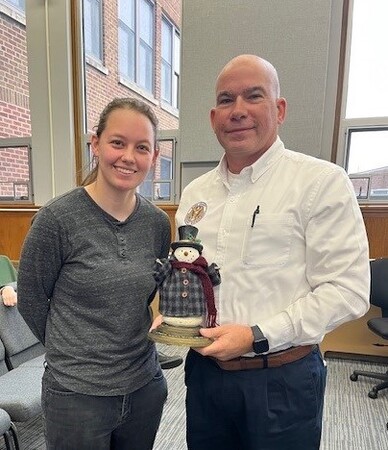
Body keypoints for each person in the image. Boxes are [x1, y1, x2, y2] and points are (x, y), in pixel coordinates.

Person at [174, 55, 370, 450]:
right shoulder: (195, 194)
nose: (238, 111)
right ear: (213, 118)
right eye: (227, 100)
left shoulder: (320, 182)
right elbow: (192, 275)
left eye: (254, 96)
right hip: (206, 375)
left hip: (281, 380)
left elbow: (348, 291)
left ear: (278, 110)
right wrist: (178, 314)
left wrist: (256, 336)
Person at [17, 97, 173, 450]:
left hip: (143, 388)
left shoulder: (157, 224)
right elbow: (30, 297)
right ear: (96, 144)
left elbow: (145, 294)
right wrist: (70, 350)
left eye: (141, 147)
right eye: (118, 142)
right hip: (76, 396)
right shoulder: (57, 220)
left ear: (154, 156)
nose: (128, 157)